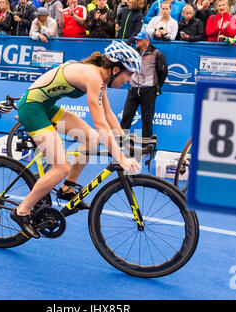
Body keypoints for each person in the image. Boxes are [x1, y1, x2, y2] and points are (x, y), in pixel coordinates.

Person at [11, 41, 142, 238]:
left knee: (91, 138)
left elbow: (109, 116)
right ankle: (22, 211)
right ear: (116, 69)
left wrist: (125, 144)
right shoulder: (94, 77)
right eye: (129, 75)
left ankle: (67, 188)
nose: (129, 80)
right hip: (32, 108)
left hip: (46, 106)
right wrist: (121, 159)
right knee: (60, 167)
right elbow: (101, 123)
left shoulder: (101, 79)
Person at [120, 31, 168, 143]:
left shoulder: (157, 54)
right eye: (136, 39)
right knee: (126, 116)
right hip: (133, 89)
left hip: (148, 91)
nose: (136, 41)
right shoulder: (133, 53)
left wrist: (156, 86)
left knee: (147, 119)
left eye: (139, 39)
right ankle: (120, 142)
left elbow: (163, 72)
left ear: (147, 41)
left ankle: (146, 146)